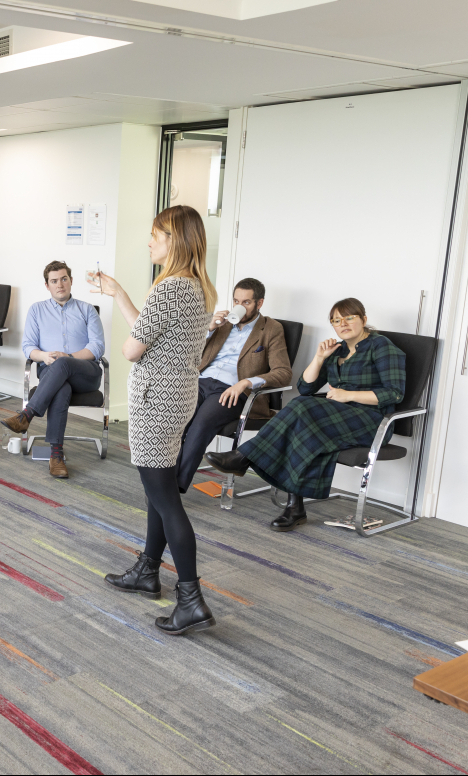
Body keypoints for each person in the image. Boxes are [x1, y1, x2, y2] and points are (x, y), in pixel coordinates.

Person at [98, 205, 218, 636]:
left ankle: (191, 599)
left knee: (165, 499)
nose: (149, 242)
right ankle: (148, 571)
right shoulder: (199, 288)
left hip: (155, 402)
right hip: (178, 397)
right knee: (158, 492)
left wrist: (129, 312)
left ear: (176, 241)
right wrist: (120, 294)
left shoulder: (169, 289)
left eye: (157, 235)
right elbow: (151, 333)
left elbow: (133, 349)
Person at [206, 298, 406, 532]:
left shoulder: (381, 346)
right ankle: (294, 508)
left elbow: (394, 394)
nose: (343, 324)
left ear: (363, 319)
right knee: (304, 424)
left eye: (349, 318)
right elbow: (306, 387)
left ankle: (245, 457)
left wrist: (346, 395)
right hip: (338, 417)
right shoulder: (337, 350)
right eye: (336, 320)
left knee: (303, 409)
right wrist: (320, 358)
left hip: (372, 420)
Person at [173, 278, 292, 493]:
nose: (241, 306)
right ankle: (163, 480)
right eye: (237, 300)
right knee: (177, 420)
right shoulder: (222, 323)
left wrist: (246, 382)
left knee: (200, 425)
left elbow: (283, 373)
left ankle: (173, 488)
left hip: (233, 391)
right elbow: (189, 355)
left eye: (246, 302)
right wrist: (208, 329)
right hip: (199, 382)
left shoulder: (271, 329)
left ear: (259, 303)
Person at [0, 261, 106, 479]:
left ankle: (27, 414)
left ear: (71, 281)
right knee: (61, 388)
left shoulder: (87, 310)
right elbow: (28, 346)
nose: (60, 285)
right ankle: (56, 455)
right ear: (47, 285)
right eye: (54, 281)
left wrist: (68, 357)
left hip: (86, 373)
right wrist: (44, 356)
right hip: (52, 372)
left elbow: (97, 347)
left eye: (64, 279)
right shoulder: (37, 310)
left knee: (63, 363)